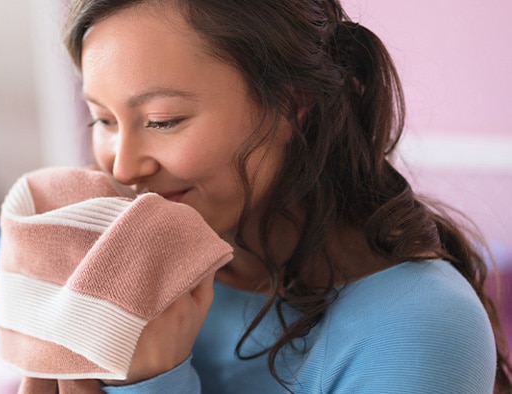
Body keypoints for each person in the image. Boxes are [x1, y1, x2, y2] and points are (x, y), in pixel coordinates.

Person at [52, 0, 512, 392]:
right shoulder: (116, 271)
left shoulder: (420, 327)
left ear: (293, 103)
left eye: (162, 120)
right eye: (103, 120)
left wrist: (150, 381)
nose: (123, 167)